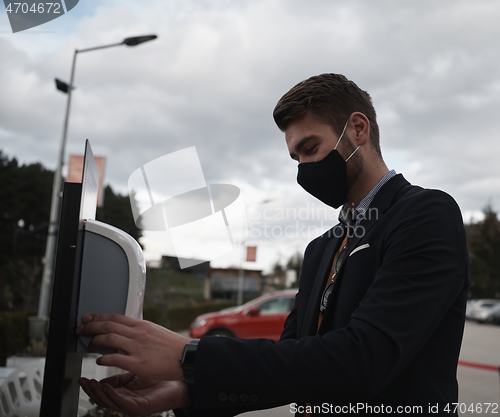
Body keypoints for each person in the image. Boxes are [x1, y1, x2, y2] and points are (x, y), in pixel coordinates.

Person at [78, 73, 469, 416]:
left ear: (358, 129)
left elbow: (363, 360)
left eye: (311, 148)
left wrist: (188, 356)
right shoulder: (321, 249)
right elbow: (292, 365)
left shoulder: (425, 214)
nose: (304, 169)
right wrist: (184, 391)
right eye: (295, 157)